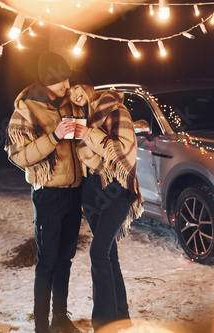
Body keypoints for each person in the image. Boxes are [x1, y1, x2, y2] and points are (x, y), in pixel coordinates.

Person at [4, 51, 84, 333]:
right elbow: (19, 156)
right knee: (48, 260)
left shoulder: (68, 104)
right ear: (48, 80)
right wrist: (55, 136)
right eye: (62, 81)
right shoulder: (26, 110)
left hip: (74, 193)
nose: (67, 86)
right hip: (48, 194)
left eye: (68, 80)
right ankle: (41, 326)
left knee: (66, 259)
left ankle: (60, 317)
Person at [68, 70, 144, 331]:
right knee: (109, 255)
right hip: (91, 190)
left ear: (87, 85)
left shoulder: (115, 109)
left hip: (116, 189)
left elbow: (122, 150)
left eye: (76, 87)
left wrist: (88, 133)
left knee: (98, 252)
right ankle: (121, 318)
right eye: (68, 92)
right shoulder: (81, 116)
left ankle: (103, 323)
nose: (74, 94)